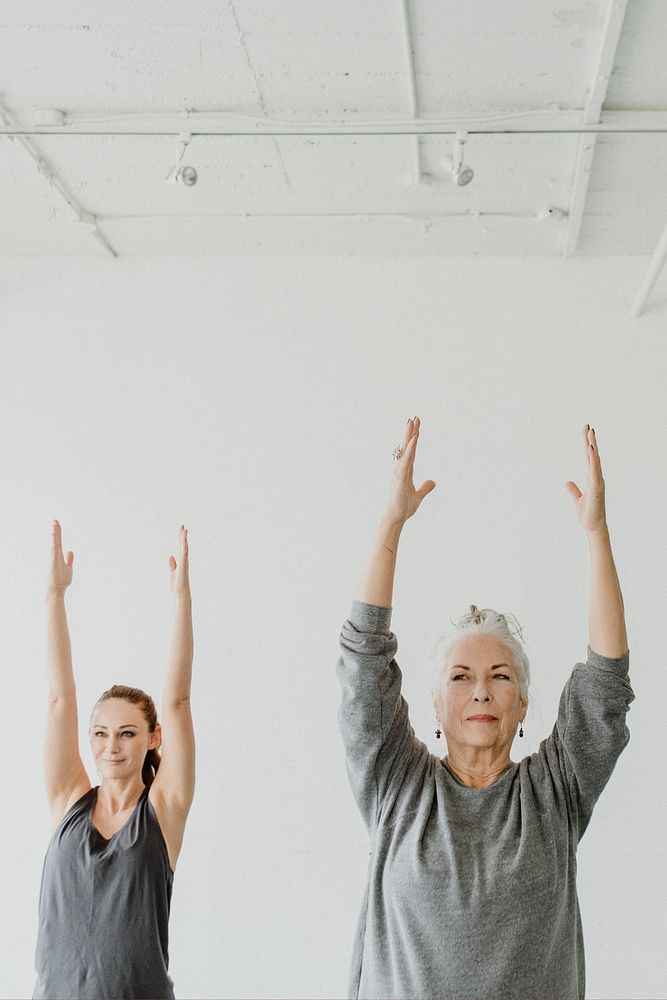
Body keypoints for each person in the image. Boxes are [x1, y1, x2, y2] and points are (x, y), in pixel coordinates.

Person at [337, 418, 633, 1000]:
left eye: (499, 677)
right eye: (461, 677)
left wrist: (597, 535)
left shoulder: (555, 792)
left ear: (523, 702)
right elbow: (363, 659)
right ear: (436, 703)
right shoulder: (395, 783)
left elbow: (606, 684)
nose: (480, 691)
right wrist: (391, 523)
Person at [34, 521, 195, 1000]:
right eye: (101, 734)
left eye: (127, 733)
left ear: (152, 738)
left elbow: (179, 701)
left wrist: (182, 599)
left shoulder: (163, 812)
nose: (112, 746)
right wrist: (54, 596)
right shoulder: (68, 801)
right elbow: (60, 697)